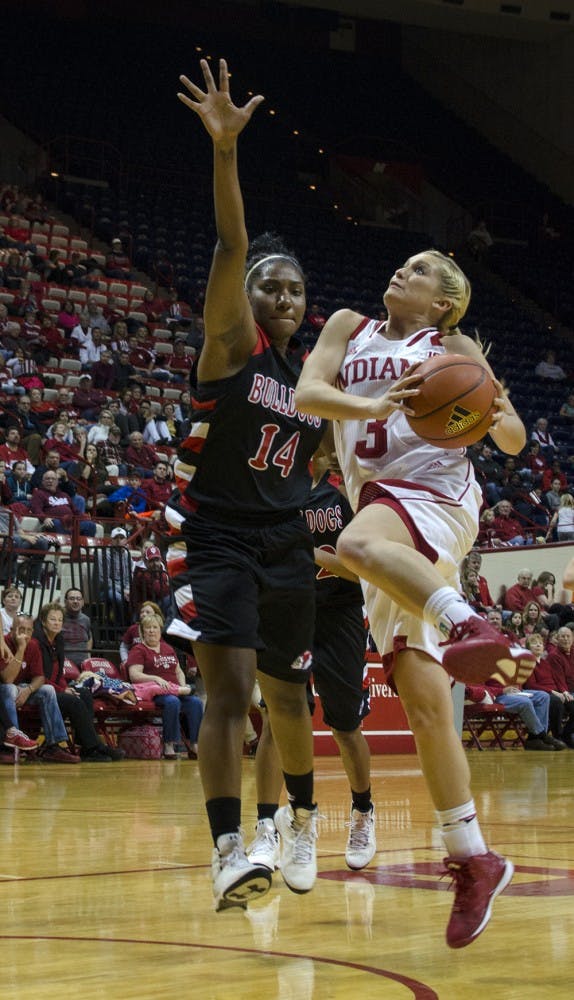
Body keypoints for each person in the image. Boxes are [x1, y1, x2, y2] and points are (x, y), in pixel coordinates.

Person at [294, 246, 536, 949]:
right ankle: (474, 857)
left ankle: (471, 622)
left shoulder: (451, 346)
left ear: (443, 303)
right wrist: (372, 402)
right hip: (379, 503)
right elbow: (310, 395)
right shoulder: (347, 325)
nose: (403, 270)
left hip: (435, 492)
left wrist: (487, 408)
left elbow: (515, 440)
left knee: (355, 547)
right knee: (425, 698)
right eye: (402, 263)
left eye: (423, 269)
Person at [167, 59, 326, 912]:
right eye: (273, 283)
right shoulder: (232, 344)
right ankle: (229, 848)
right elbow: (233, 243)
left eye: (296, 287)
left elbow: (330, 466)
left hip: (287, 544)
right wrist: (227, 151)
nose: (284, 295)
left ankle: (300, 822)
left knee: (289, 698)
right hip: (216, 535)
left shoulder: (310, 382)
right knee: (226, 693)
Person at [248, 460, 375, 875]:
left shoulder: (342, 499)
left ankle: (362, 812)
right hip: (286, 611)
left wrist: (310, 553)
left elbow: (365, 574)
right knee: (276, 720)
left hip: (338, 613)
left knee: (345, 725)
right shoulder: (270, 494)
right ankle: (266, 826)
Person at [32, 602, 124, 761]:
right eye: (52, 619)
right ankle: (95, 746)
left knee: (84, 693)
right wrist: (62, 690)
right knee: (73, 700)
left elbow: (58, 674)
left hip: (54, 688)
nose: (57, 623)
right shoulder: (36, 643)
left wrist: (65, 687)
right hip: (39, 690)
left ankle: (85, 747)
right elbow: (38, 676)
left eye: (60, 620)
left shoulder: (58, 640)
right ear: (43, 621)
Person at [0, 613, 80, 762]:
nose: (24, 634)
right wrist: (21, 649)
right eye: (20, 629)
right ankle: (12, 745)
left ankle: (53, 746)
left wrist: (28, 690)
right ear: (11, 629)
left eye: (28, 630)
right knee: (9, 688)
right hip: (5, 689)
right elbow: (7, 679)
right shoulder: (3, 644)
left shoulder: (34, 644)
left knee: (48, 690)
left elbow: (40, 677)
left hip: (22, 689)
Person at [125, 614, 203, 759]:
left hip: (175, 690)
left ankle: (195, 744)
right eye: (148, 628)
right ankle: (169, 744)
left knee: (195, 702)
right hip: (154, 693)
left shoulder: (168, 648)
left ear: (160, 631)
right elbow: (134, 675)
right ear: (142, 632)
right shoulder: (138, 650)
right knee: (172, 702)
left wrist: (183, 685)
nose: (152, 631)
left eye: (155, 627)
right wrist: (155, 678)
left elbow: (178, 671)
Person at [61, 588, 93, 667]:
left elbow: (89, 639)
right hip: (64, 666)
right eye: (72, 599)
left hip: (83, 666)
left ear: (82, 602)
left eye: (78, 599)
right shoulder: (58, 618)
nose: (75, 601)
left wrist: (88, 656)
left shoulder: (86, 619)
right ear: (65, 602)